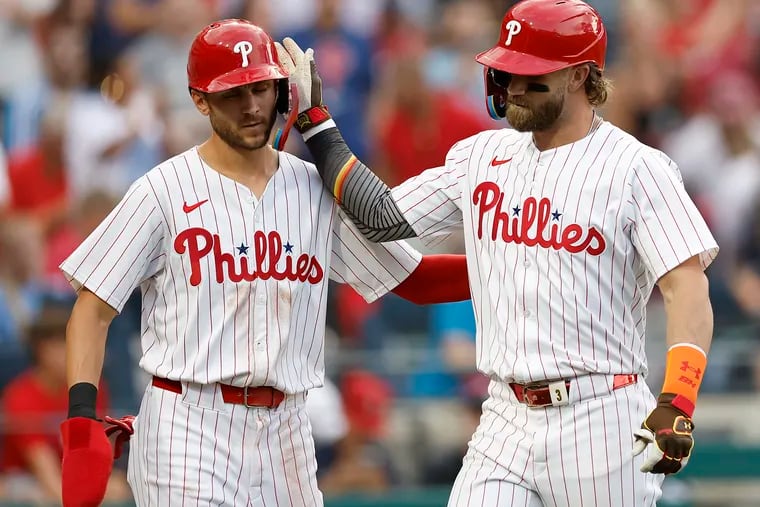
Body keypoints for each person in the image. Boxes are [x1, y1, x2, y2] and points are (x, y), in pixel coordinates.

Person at [276, 0, 719, 505]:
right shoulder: (482, 155)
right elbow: (382, 217)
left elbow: (685, 286)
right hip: (505, 414)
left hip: (600, 413)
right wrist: (317, 124)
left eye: (532, 76)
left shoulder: (639, 168)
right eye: (508, 72)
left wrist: (678, 399)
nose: (513, 87)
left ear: (579, 76)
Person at [57, 19, 471, 507]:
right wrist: (82, 417)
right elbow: (94, 305)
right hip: (189, 422)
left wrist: (515, 259)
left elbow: (416, 280)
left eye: (261, 88)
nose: (252, 106)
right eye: (233, 94)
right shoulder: (162, 190)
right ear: (200, 100)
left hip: (288, 432)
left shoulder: (314, 189)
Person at [0, 301, 129, 503]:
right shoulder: (21, 395)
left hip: (72, 475)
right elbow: (43, 469)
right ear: (42, 350)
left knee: (120, 486)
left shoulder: (94, 388)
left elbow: (103, 453)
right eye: (62, 345)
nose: (72, 352)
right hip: (29, 480)